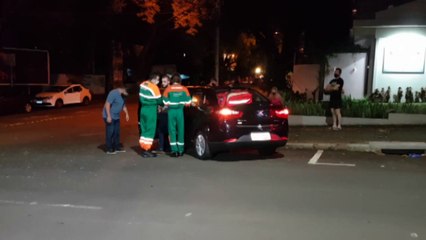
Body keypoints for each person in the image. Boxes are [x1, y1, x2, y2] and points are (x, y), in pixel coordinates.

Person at [162, 74, 191, 157]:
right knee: (181, 130)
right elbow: (188, 102)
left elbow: (165, 101)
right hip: (180, 111)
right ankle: (181, 150)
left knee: (172, 130)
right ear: (179, 80)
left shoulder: (168, 88)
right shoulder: (184, 89)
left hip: (171, 111)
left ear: (172, 80)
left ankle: (174, 151)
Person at [139, 73, 162, 158]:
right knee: (150, 130)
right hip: (151, 110)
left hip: (143, 109)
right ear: (153, 79)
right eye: (157, 79)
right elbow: (159, 100)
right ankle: (147, 150)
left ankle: (143, 148)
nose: (158, 81)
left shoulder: (143, 84)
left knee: (144, 129)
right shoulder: (154, 87)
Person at [102, 82, 129, 154]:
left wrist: (126, 114)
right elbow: (107, 105)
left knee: (117, 133)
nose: (127, 91)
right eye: (126, 89)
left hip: (116, 116)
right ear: (122, 88)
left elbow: (123, 105)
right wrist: (108, 116)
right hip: (109, 116)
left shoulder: (122, 96)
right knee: (110, 132)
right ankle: (109, 149)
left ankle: (116, 147)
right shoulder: (113, 93)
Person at [157, 74, 171, 152]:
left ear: (169, 81)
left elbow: (168, 102)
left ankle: (162, 147)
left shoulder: (168, 90)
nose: (163, 83)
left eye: (164, 81)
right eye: (162, 81)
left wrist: (161, 108)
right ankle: (166, 146)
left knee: (162, 130)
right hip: (165, 112)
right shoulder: (164, 89)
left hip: (166, 113)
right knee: (165, 130)